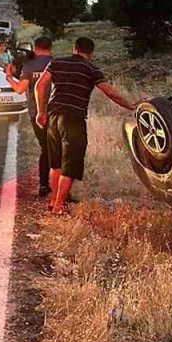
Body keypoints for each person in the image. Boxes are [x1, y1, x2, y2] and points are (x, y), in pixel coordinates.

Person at [34, 37, 138, 214]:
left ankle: (53, 202)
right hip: (73, 118)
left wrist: (41, 111)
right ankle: (59, 206)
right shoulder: (91, 68)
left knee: (56, 163)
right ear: (91, 53)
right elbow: (110, 92)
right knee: (71, 163)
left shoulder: (57, 62)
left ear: (74, 49)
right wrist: (131, 106)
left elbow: (39, 86)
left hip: (53, 116)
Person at [7, 36, 54, 196]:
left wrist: (9, 77)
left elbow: (20, 89)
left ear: (35, 47)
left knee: (45, 148)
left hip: (36, 114)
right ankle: (57, 187)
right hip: (55, 113)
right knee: (57, 148)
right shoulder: (56, 63)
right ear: (50, 48)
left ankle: (43, 185)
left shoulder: (29, 66)